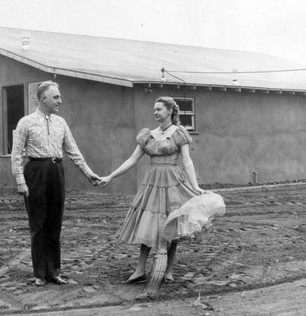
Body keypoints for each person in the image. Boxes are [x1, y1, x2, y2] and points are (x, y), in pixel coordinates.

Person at [98, 96, 205, 283]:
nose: (155, 112)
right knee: (147, 223)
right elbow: (131, 160)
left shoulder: (179, 133)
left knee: (172, 223)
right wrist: (110, 176)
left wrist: (195, 186)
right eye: (154, 110)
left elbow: (187, 161)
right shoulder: (148, 134)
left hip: (173, 180)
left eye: (159, 109)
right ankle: (140, 270)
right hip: (152, 182)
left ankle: (169, 270)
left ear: (170, 111)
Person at [11, 80, 100, 287]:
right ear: (43, 99)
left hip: (56, 172)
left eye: (59, 96)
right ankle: (40, 274)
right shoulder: (26, 122)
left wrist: (89, 174)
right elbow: (16, 154)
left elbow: (73, 151)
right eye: (56, 97)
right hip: (35, 172)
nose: (60, 100)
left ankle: (54, 272)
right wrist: (20, 182)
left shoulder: (61, 122)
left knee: (55, 224)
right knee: (38, 224)